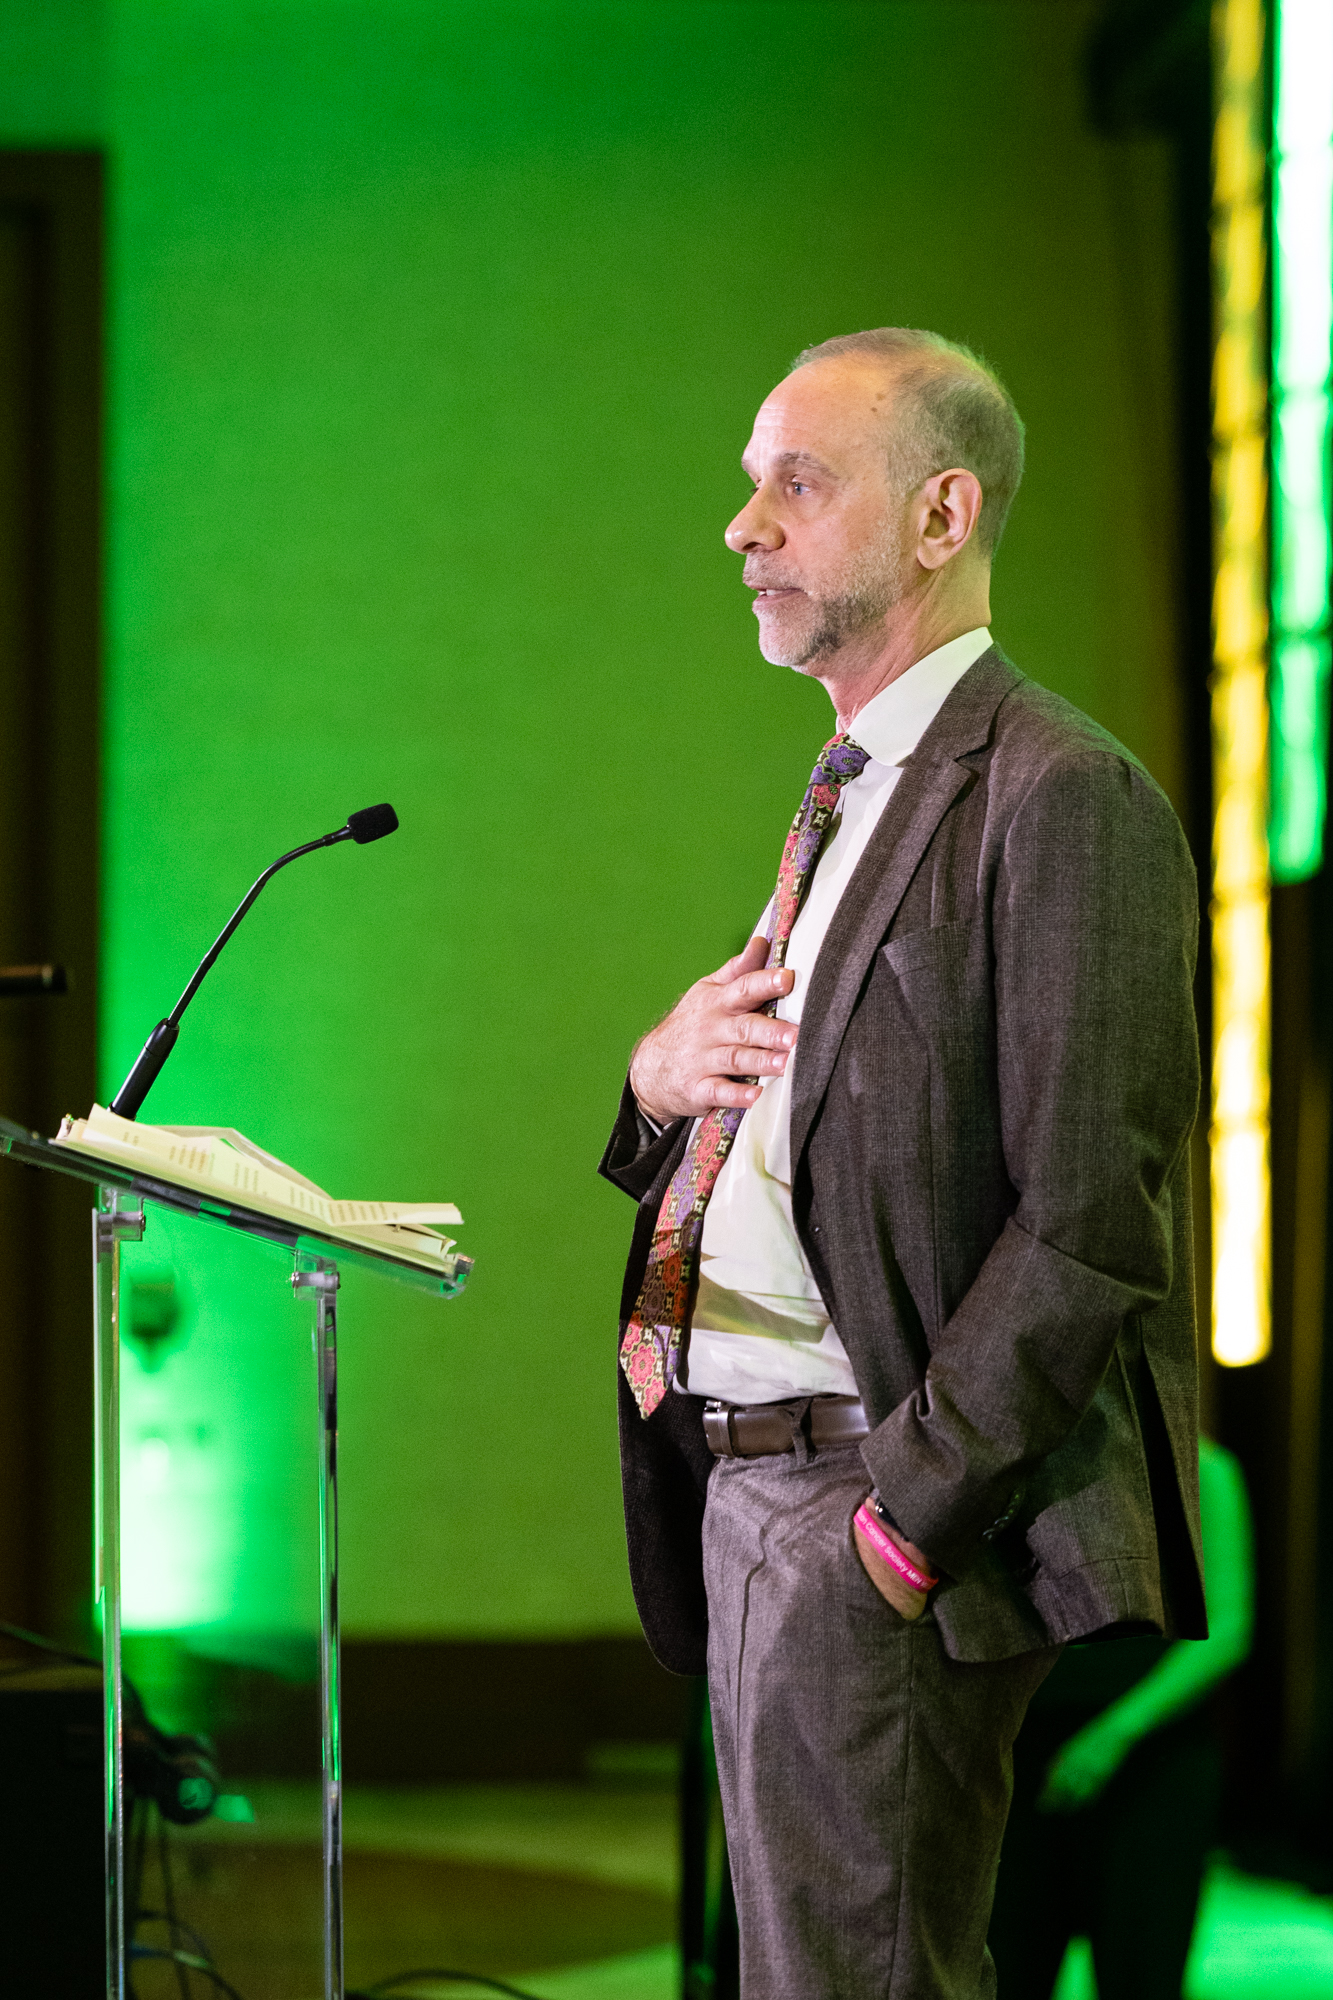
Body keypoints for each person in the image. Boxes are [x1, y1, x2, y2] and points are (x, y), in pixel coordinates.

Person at [598, 326, 1205, 1999]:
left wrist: (904, 1521)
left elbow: (1088, 1222)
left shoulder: (1062, 794)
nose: (742, 526)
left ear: (941, 516)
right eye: (750, 484)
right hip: (742, 1488)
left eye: (797, 485)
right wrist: (653, 1082)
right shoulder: (848, 785)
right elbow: (800, 1135)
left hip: (868, 1504)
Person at [989, 1436, 1254, 2000]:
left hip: (1152, 1756)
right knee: (1008, 1966)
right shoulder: (1027, 1460)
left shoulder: (1202, 1467)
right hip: (1026, 1747)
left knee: (1141, 1969)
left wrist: (1112, 1737)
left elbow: (1228, 1628)